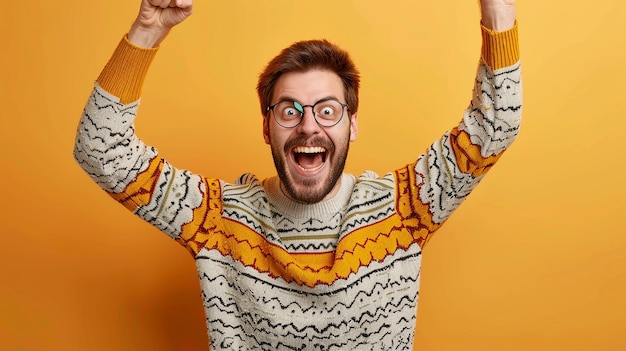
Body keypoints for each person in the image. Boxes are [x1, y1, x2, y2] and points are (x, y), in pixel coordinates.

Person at [74, 0, 522, 349]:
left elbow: (496, 125)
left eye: (328, 110)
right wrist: (150, 27)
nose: (310, 126)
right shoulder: (219, 221)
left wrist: (498, 8)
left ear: (353, 124)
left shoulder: (404, 209)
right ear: (267, 127)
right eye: (290, 110)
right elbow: (100, 149)